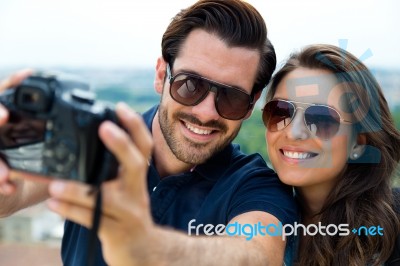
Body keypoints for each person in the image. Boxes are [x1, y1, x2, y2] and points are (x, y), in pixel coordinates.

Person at [0, 1, 298, 265]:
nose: (206, 112)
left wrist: (146, 248)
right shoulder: (97, 140)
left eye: (231, 98)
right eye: (190, 85)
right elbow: (13, 196)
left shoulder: (254, 186)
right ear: (160, 76)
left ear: (250, 105)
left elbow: (257, 255)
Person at [261, 44, 400, 265]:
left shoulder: (394, 223)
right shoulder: (257, 212)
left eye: (322, 119)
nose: (294, 132)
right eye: (280, 111)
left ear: (359, 144)